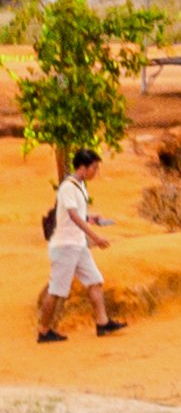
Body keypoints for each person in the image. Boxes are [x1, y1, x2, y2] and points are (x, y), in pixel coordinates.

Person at [37, 146, 118, 341]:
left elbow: (75, 214)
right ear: (83, 167)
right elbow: (73, 216)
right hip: (65, 246)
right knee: (56, 290)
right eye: (94, 168)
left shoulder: (79, 186)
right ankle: (44, 331)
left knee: (94, 281)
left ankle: (102, 323)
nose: (95, 172)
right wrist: (95, 237)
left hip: (77, 244)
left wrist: (91, 217)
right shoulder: (68, 187)